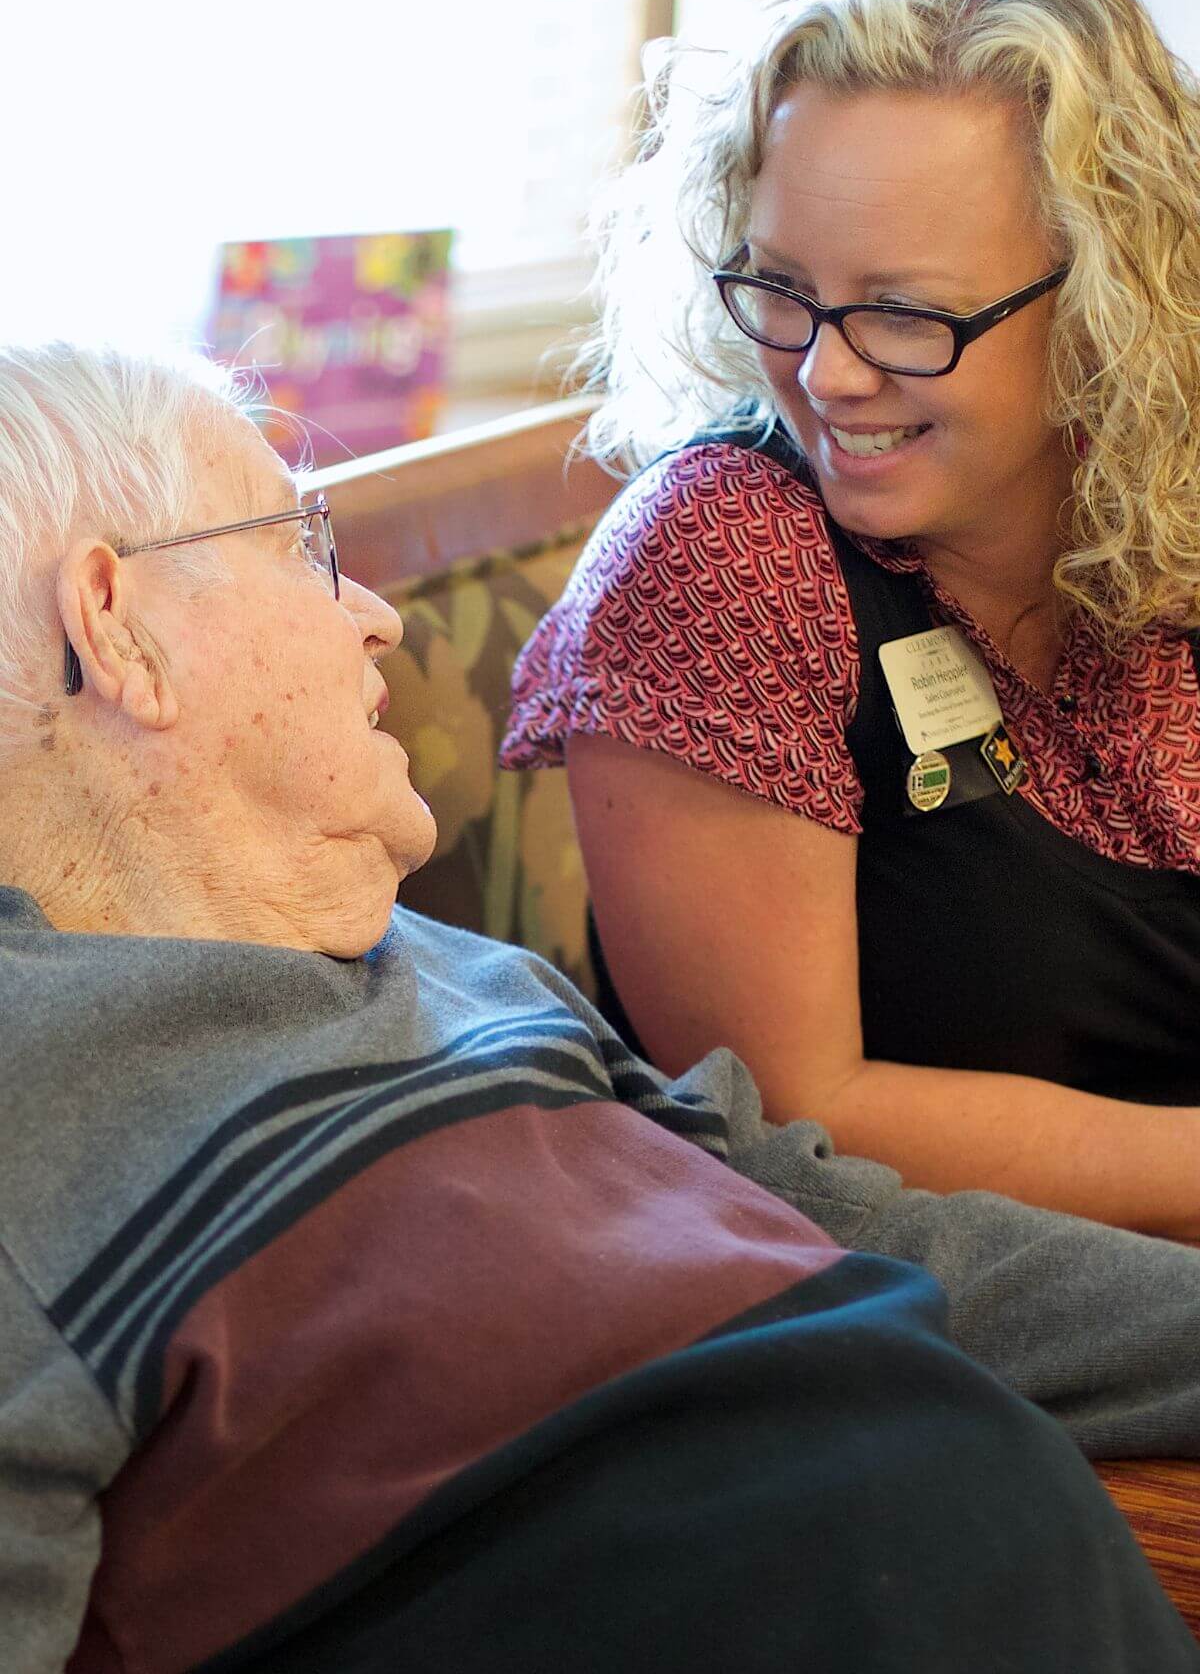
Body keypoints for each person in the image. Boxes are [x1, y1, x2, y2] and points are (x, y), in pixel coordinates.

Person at [3, 344, 1200, 1673]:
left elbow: (859, 1229)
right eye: (299, 546)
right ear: (115, 624)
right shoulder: (34, 1098)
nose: (378, 616)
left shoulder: (459, 973)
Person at [501, 0, 1200, 1237]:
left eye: (903, 313)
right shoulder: (727, 559)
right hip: (935, 1333)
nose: (825, 373)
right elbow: (789, 1126)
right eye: (781, 289)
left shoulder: (1159, 517)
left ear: (1117, 301)